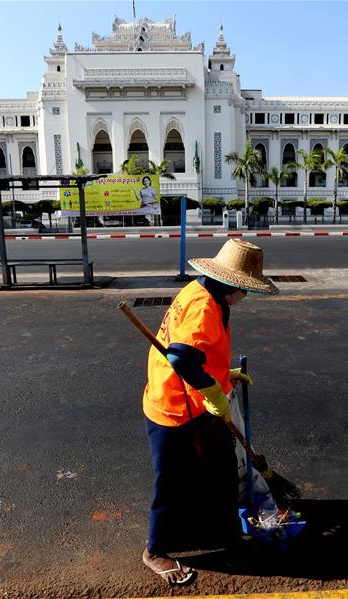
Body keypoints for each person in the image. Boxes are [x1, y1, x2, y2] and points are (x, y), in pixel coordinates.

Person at [141, 239, 278, 586]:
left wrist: (221, 374)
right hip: (174, 406)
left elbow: (198, 351)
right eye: (244, 290)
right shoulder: (204, 306)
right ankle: (155, 551)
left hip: (192, 397)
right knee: (170, 480)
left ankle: (225, 535)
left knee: (218, 468)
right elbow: (181, 357)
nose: (245, 296)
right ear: (232, 284)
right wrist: (212, 389)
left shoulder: (203, 291)